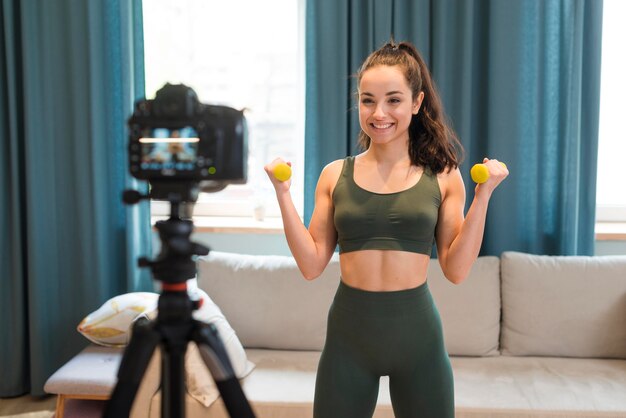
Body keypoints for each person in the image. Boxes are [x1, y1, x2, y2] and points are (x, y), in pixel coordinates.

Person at [264, 40, 508, 418]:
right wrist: (282, 194)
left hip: (418, 339)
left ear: (416, 102)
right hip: (349, 338)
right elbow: (311, 265)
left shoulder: (443, 175)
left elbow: (456, 270)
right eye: (367, 100)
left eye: (393, 100)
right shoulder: (334, 174)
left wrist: (484, 195)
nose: (379, 113)